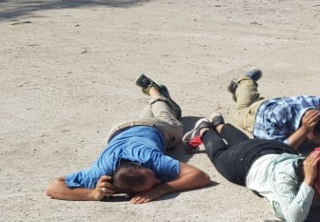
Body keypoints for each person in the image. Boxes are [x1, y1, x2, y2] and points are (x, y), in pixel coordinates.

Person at [45, 74, 211, 204]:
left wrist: (161, 189)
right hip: (121, 128)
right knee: (149, 116)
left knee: (170, 121)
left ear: (141, 165)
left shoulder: (150, 160)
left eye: (153, 177)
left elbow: (201, 176)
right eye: (154, 182)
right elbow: (52, 188)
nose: (158, 179)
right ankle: (157, 98)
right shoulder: (100, 174)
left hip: (157, 128)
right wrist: (92, 194)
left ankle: (156, 93)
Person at [182, 112, 320, 222]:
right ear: (309, 175)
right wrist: (308, 183)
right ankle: (206, 129)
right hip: (246, 163)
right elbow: (294, 220)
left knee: (246, 142)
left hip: (275, 149)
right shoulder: (285, 177)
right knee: (220, 155)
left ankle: (220, 124)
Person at [227, 68, 320, 156]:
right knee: (242, 110)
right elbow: (280, 151)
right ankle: (245, 80)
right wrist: (306, 132)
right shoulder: (278, 117)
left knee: (251, 99)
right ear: (310, 126)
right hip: (257, 116)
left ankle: (241, 88)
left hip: (275, 104)